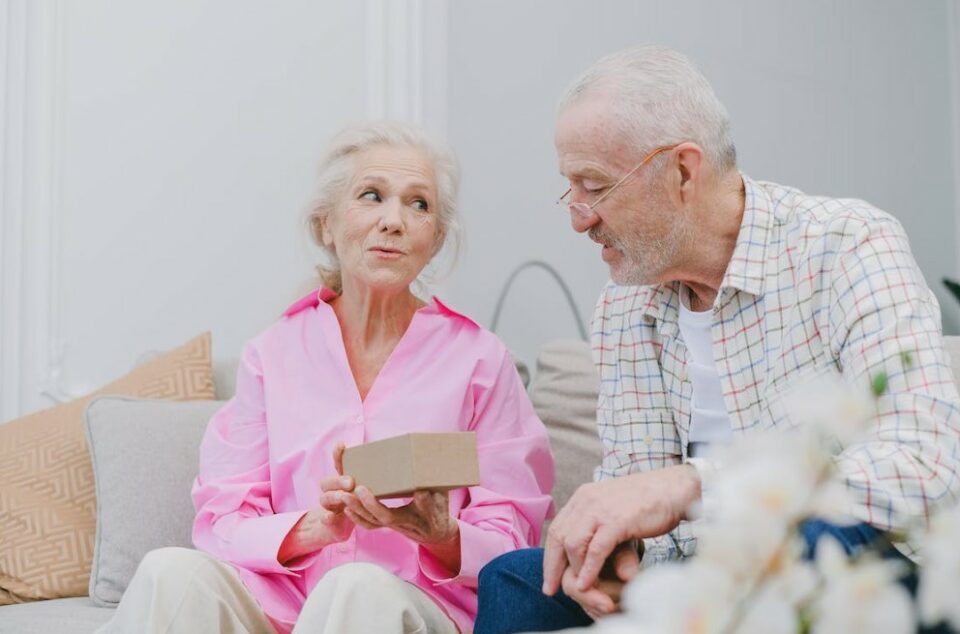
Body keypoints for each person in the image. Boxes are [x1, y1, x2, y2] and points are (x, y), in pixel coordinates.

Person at [474, 45, 960, 634]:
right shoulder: (625, 305)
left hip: (847, 571)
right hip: (704, 586)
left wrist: (692, 486)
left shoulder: (847, 246)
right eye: (569, 188)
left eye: (594, 186)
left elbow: (922, 466)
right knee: (515, 580)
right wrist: (612, 552)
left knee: (811, 539)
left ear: (682, 169)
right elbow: (638, 493)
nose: (578, 217)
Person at [97, 121, 555, 634]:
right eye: (372, 196)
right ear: (326, 226)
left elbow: (516, 540)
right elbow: (220, 520)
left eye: (418, 204)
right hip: (283, 603)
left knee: (355, 587)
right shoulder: (272, 355)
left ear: (436, 239)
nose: (394, 220)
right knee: (169, 572)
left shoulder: (479, 360)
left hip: (412, 605)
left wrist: (441, 534)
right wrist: (313, 527)